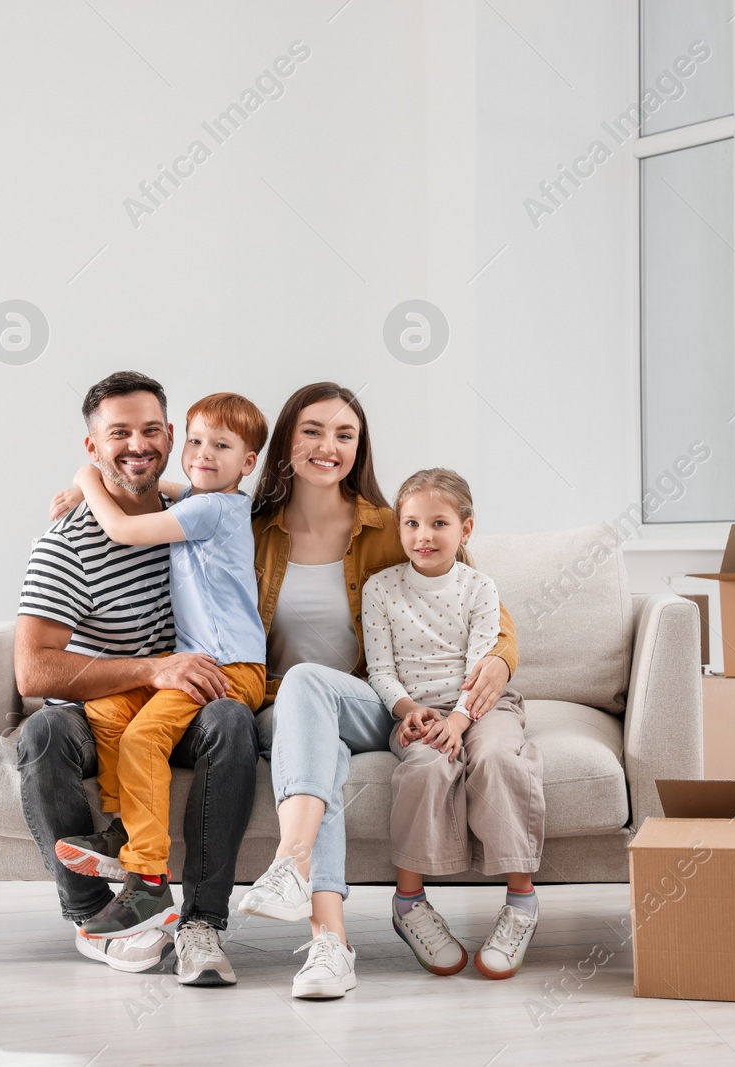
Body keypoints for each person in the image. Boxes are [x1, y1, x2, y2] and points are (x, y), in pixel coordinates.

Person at [233, 382, 520, 1000]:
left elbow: (479, 598)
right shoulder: (250, 529)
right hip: (281, 707)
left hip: (369, 701)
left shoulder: (390, 526)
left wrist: (500, 661)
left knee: (316, 687)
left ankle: (291, 864)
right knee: (319, 750)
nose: (327, 446)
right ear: (286, 440)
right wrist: (85, 482)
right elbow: (189, 500)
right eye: (311, 430)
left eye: (344, 434)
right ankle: (330, 946)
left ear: (359, 449)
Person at [15, 371, 258, 987]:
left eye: (151, 430)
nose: (137, 444)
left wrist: (83, 482)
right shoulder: (66, 546)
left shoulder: (191, 511)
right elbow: (33, 670)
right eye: (118, 433)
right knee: (44, 730)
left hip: (194, 691)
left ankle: (201, 922)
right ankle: (97, 913)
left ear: (170, 436)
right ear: (93, 446)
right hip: (113, 694)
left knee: (230, 718)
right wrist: (152, 668)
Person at [365, 469, 544, 980]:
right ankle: (409, 905)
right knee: (427, 764)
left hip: (483, 705)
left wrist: (462, 719)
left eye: (438, 523)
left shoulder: (479, 587)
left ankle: (521, 904)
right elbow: (381, 669)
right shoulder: (380, 589)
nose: (423, 535)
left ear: (465, 529)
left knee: (492, 758)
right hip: (418, 710)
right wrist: (407, 712)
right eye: (412, 523)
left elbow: (482, 658)